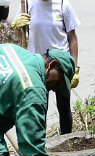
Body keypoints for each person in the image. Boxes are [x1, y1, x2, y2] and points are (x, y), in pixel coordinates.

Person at [11, 0, 80, 134]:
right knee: (40, 108)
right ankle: (42, 144)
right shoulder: (27, 4)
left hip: (60, 65)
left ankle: (67, 139)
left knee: (64, 107)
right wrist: (17, 28)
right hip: (37, 65)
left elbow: (73, 38)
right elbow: (19, 39)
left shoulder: (62, 4)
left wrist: (75, 67)